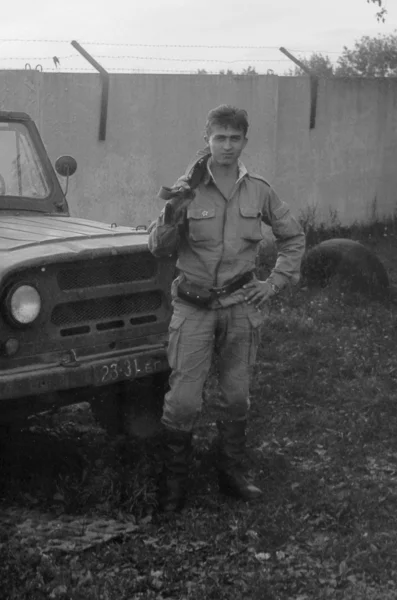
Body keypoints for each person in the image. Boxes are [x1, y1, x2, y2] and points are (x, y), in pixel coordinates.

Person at [148, 104, 305, 512]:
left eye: (236, 138)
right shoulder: (186, 188)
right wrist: (172, 215)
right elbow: (157, 247)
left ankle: (230, 474)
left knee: (236, 397)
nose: (227, 146)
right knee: (183, 401)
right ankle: (173, 488)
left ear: (245, 142)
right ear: (207, 139)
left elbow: (293, 237)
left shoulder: (259, 190)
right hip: (193, 306)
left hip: (240, 306)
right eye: (220, 138)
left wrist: (273, 283)